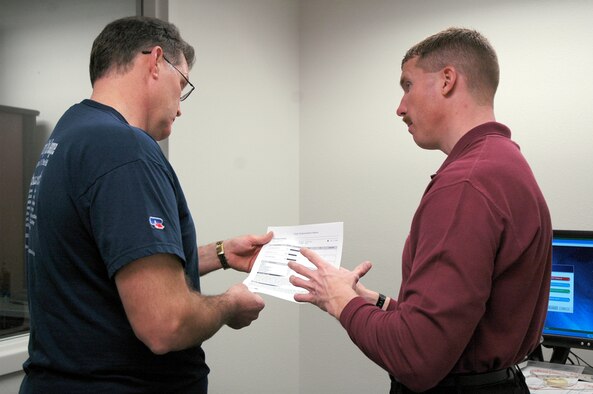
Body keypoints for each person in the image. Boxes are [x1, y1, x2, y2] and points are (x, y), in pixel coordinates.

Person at [289, 27, 552, 393]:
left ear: (447, 80)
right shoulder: (505, 162)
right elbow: (465, 325)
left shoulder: (466, 184)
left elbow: (416, 357)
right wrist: (376, 303)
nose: (400, 107)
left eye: (407, 86)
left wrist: (343, 302)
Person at [21, 16, 272, 393]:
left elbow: (106, 260)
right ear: (155, 62)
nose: (181, 107)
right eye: (182, 85)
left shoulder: (70, 135)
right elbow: (164, 325)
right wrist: (229, 305)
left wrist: (218, 254)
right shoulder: (124, 149)